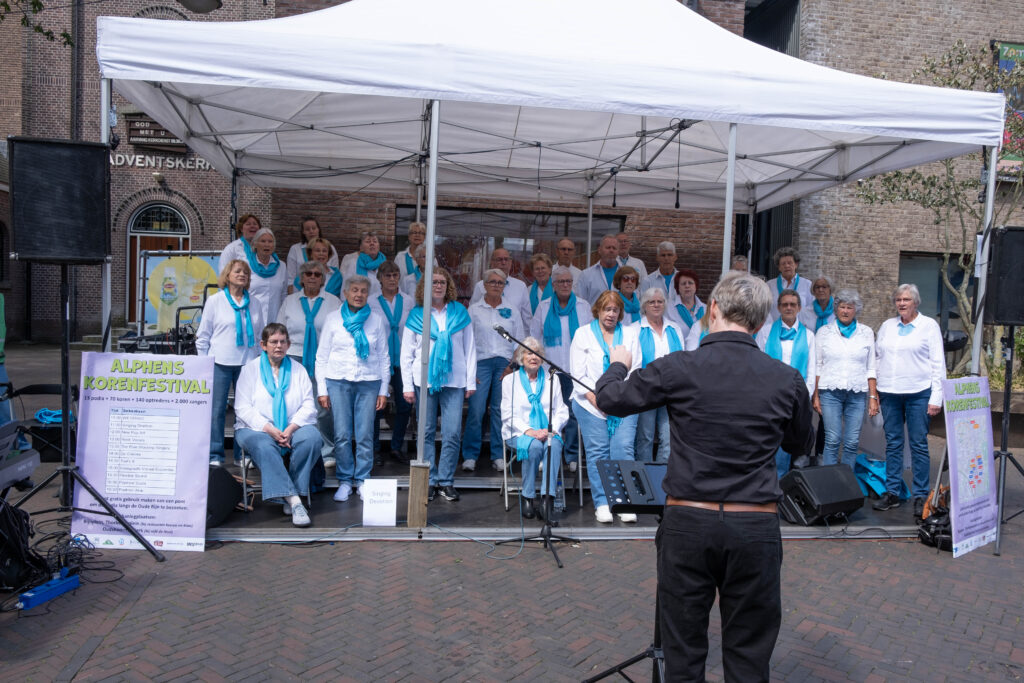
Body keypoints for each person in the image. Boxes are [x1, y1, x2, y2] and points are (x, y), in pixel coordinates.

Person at [594, 271, 815, 683]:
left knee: (682, 654)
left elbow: (610, 398)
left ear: (713, 309)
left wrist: (618, 363)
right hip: (754, 526)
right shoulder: (786, 378)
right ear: (760, 321)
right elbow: (801, 443)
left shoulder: (680, 367)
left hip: (689, 523)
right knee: (749, 657)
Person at [233, 323, 322, 527]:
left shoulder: (299, 370)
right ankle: (295, 500)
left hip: (292, 426)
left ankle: (291, 492)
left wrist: (290, 429)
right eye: (273, 342)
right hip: (255, 428)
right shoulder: (250, 370)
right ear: (263, 345)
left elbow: (309, 406)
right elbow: (242, 408)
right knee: (264, 445)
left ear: (289, 344)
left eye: (283, 342)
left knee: (312, 439)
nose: (279, 346)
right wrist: (269, 429)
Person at [400, 268, 477, 502]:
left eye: (442, 282)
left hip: (454, 380)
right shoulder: (416, 315)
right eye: (434, 282)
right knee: (425, 432)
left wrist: (470, 381)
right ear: (425, 286)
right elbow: (406, 353)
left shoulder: (460, 312)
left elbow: (470, 348)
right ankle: (429, 480)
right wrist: (407, 386)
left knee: (452, 433)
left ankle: (446, 481)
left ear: (448, 286)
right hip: (424, 380)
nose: (438, 285)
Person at [872, 283, 945, 518]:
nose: (901, 303)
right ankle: (892, 492)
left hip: (918, 393)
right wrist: (875, 390)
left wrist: (936, 397)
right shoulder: (887, 326)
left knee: (918, 444)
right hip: (889, 393)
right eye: (898, 300)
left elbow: (938, 363)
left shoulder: (929, 326)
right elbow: (877, 357)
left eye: (906, 299)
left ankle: (920, 495)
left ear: (916, 302)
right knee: (893, 443)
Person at [315, 275, 390, 503]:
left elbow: (384, 356)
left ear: (368, 294)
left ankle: (363, 479)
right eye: (355, 290)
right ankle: (345, 480)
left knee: (365, 434)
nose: (359, 295)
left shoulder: (376, 320)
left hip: (369, 382)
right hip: (338, 381)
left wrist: (383, 390)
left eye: (363, 291)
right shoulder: (333, 319)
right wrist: (322, 390)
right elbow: (321, 356)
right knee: (342, 434)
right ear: (346, 293)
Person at [569, 290, 641, 524]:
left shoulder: (630, 334)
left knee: (622, 450)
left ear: (620, 313)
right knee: (598, 452)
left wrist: (616, 400)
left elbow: (635, 368)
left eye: (615, 310)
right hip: (590, 403)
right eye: (607, 309)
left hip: (623, 402)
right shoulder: (582, 334)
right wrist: (598, 401)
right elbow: (578, 374)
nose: (611, 314)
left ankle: (624, 500)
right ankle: (602, 502)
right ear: (598, 310)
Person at [195, 260, 266, 466]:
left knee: (245, 413)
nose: (242, 275)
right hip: (219, 363)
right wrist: (203, 364)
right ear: (227, 275)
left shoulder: (255, 303)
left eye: (245, 272)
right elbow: (203, 336)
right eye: (237, 271)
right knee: (216, 411)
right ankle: (215, 455)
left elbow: (260, 336)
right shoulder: (215, 301)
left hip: (247, 364)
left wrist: (259, 362)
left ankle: (241, 455)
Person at [529, 266, 592, 473]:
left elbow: (591, 338)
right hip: (550, 369)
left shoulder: (583, 306)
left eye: (568, 281)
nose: (565, 285)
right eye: (561, 282)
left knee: (573, 413)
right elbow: (534, 339)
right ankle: (545, 453)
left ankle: (571, 455)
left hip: (575, 369)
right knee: (548, 412)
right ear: (554, 285)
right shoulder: (544, 307)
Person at [501, 337, 569, 519]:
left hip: (548, 431)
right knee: (534, 446)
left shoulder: (552, 379)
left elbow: (561, 410)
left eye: (537, 353)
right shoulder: (510, 381)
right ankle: (528, 496)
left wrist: (551, 429)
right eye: (528, 353)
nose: (533, 357)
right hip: (518, 432)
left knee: (554, 445)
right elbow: (507, 414)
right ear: (521, 358)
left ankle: (547, 498)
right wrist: (529, 431)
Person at [462, 268, 523, 473]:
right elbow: (466, 341)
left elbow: (519, 342)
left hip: (504, 364)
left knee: (499, 411)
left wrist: (511, 367)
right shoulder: (474, 310)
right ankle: (470, 455)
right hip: (481, 363)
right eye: (492, 282)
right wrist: (470, 370)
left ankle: (498, 454)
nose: (496, 285)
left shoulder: (512, 310)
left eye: (500, 282)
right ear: (484, 285)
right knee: (476, 410)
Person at [813, 288, 878, 468]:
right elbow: (818, 365)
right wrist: (816, 395)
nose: (846, 311)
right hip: (830, 392)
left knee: (851, 442)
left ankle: (847, 481)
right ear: (836, 309)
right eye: (842, 307)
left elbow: (871, 367)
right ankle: (829, 480)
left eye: (850, 307)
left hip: (857, 394)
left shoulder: (866, 333)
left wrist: (873, 397)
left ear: (856, 310)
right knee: (832, 439)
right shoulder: (824, 332)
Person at [757, 288, 815, 477]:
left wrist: (805, 395)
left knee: (792, 435)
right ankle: (770, 476)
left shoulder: (809, 335)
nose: (789, 308)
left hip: (797, 395)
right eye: (785, 304)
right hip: (771, 393)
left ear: (799, 308)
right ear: (779, 307)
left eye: (792, 304)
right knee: (771, 433)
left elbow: (812, 367)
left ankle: (785, 479)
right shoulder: (766, 332)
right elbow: (759, 362)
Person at [632, 288, 684, 464]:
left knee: (668, 438)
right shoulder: (635, 329)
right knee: (645, 437)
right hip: (646, 390)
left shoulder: (674, 328)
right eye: (651, 302)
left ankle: (661, 476)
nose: (656, 305)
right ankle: (645, 476)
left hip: (670, 391)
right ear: (644, 306)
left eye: (660, 301)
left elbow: (682, 359)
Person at [370, 261, 413, 463]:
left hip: (403, 359)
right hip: (379, 359)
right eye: (387, 275)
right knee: (377, 406)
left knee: (404, 405)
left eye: (395, 275)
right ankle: (374, 449)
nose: (392, 279)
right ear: (380, 278)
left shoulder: (408, 301)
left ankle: (396, 447)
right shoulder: (372, 301)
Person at [276, 261, 342, 379]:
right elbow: (279, 330)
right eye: (308, 274)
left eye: (317, 274)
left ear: (322, 279)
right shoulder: (289, 301)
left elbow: (339, 332)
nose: (312, 277)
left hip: (323, 357)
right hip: (292, 355)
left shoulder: (334, 302)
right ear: (302, 278)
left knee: (319, 391)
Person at [470, 248, 531, 324]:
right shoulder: (481, 285)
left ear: (510, 262)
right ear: (492, 262)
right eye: (499, 259)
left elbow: (527, 319)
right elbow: (472, 314)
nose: (503, 262)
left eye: (506, 259)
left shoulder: (521, 286)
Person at [245, 227, 289, 324]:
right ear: (255, 244)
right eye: (263, 241)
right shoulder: (246, 265)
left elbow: (284, 294)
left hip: (274, 321)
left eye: (270, 241)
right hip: (252, 320)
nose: (267, 244)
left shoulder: (281, 266)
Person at [285, 216, 339, 284]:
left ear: (318, 229)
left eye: (314, 228)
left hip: (328, 287)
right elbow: (290, 278)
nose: (311, 231)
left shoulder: (330, 247)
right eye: (307, 229)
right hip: (300, 288)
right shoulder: (295, 249)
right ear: (303, 232)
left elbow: (335, 275)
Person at [766, 247, 813, 322]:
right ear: (779, 267)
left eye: (790, 263)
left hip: (799, 327)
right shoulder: (769, 285)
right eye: (783, 263)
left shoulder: (807, 285)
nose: (787, 266)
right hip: (774, 327)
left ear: (796, 264)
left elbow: (811, 310)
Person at [574, 234, 620, 304]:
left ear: (618, 251)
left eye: (614, 248)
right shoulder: (586, 275)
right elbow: (580, 302)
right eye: (608, 247)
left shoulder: (626, 275)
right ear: (599, 250)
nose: (611, 250)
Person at [340, 231, 386, 296]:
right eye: (368, 241)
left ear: (379, 246)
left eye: (375, 241)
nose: (372, 243)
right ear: (361, 247)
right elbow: (345, 290)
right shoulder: (353, 264)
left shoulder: (385, 265)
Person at [666, 268, 705, 339]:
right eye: (683, 283)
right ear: (678, 287)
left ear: (696, 286)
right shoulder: (668, 308)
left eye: (690, 283)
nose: (687, 286)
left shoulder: (706, 309)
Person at [526, 253, 554, 318]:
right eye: (537, 269)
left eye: (543, 268)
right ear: (533, 272)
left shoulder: (557, 288)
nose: (540, 271)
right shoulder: (528, 290)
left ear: (550, 270)